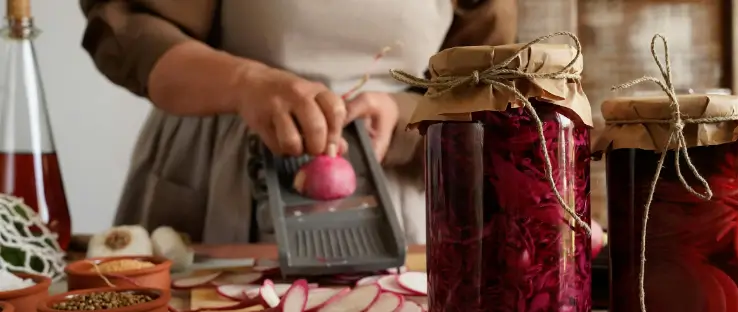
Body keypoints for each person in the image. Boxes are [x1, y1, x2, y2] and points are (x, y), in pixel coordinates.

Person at [79, 0, 517, 244]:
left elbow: (483, 82)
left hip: (400, 194)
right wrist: (244, 82)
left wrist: (406, 116)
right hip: (218, 179)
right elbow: (130, 27)